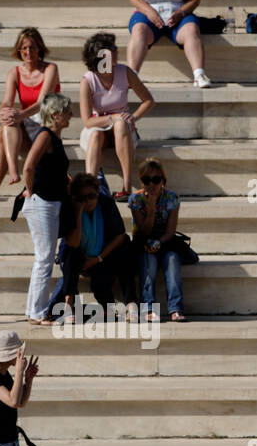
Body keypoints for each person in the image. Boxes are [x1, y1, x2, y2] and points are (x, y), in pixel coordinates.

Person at [0, 27, 60, 201]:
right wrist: (1, 112)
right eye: (24, 48)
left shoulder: (50, 68)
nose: (28, 52)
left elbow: (43, 102)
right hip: (27, 123)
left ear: (40, 48)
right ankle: (6, 176)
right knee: (4, 124)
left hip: (46, 122)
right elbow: (6, 101)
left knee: (3, 130)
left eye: (32, 47)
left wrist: (20, 115)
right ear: (19, 50)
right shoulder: (14, 72)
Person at [19, 92, 73, 325]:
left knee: (43, 258)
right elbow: (29, 166)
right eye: (67, 111)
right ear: (55, 114)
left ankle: (35, 311)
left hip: (51, 202)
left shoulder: (54, 138)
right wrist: (30, 191)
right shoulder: (45, 135)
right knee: (44, 258)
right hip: (42, 202)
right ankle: (37, 312)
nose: (71, 115)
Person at [78, 32, 153, 198]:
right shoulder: (88, 80)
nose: (117, 51)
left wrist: (133, 117)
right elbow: (88, 121)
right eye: (113, 49)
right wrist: (113, 117)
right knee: (96, 133)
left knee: (120, 124)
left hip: (122, 129)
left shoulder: (124, 72)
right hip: (99, 127)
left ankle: (127, 186)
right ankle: (91, 188)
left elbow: (148, 100)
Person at [56, 171, 137, 322]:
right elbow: (73, 243)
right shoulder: (71, 207)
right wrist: (79, 212)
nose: (88, 201)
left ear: (98, 193)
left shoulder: (106, 203)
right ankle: (69, 303)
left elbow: (120, 235)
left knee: (125, 246)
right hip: (77, 255)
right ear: (75, 198)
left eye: (91, 196)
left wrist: (97, 259)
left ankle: (131, 302)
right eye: (82, 198)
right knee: (69, 252)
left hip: (101, 255)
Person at [128, 158, 185, 321]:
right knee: (149, 263)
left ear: (163, 181)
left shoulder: (172, 198)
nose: (151, 184)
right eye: (146, 180)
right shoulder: (135, 200)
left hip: (166, 242)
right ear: (141, 182)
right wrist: (151, 208)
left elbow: (171, 231)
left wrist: (159, 242)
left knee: (172, 261)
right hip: (143, 242)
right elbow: (143, 231)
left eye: (156, 180)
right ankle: (148, 308)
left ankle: (176, 308)